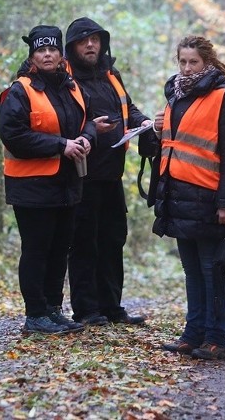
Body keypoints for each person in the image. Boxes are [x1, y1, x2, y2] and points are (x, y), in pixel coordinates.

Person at [0, 25, 96, 335]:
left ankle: (54, 309)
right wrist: (61, 145)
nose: (48, 54)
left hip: (67, 183)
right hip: (32, 186)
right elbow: (14, 136)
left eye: (53, 49)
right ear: (33, 56)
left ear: (61, 54)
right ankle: (35, 314)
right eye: (41, 50)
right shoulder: (20, 91)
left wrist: (86, 138)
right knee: (37, 249)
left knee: (59, 248)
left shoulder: (71, 86)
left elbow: (89, 120)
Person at [152, 35, 225, 360]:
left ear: (207, 62)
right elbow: (168, 146)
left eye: (193, 62)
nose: (187, 67)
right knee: (192, 271)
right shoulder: (176, 95)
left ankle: (217, 338)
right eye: (183, 61)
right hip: (177, 196)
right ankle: (193, 334)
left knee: (211, 270)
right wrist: (157, 129)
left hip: (208, 196)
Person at [64, 17, 151, 326]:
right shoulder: (65, 79)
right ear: (72, 46)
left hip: (112, 174)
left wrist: (142, 123)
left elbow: (129, 109)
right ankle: (87, 310)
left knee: (114, 240)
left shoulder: (111, 75)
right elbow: (59, 124)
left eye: (96, 40)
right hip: (81, 175)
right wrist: (91, 130)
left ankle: (112, 306)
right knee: (84, 242)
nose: (91, 45)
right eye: (84, 40)